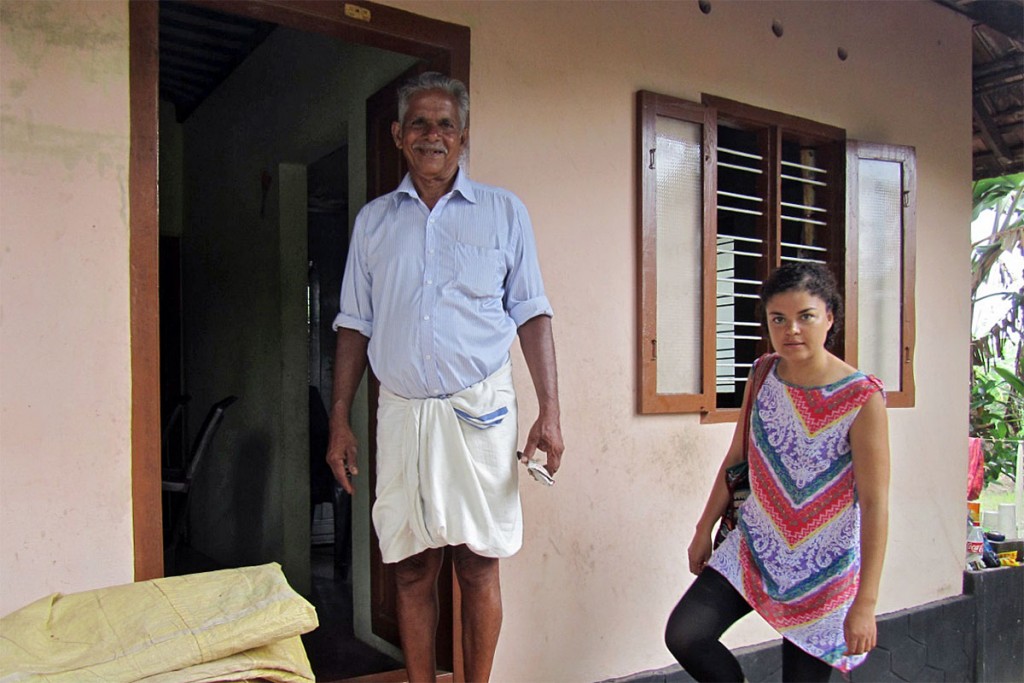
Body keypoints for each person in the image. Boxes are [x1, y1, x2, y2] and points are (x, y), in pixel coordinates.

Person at [325, 71, 564, 682]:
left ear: (463, 138)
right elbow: (353, 324)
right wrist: (339, 420)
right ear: (398, 136)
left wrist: (551, 413)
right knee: (410, 567)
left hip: (481, 410)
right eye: (420, 124)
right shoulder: (374, 223)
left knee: (479, 565)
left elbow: (532, 314)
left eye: (445, 124)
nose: (433, 135)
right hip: (402, 411)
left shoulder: (503, 213)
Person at [664, 262, 890, 681]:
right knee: (686, 634)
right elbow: (738, 458)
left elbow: (875, 504)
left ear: (830, 318)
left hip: (823, 571)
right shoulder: (763, 373)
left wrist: (865, 603)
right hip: (756, 546)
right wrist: (702, 529)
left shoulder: (861, 397)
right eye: (778, 319)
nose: (792, 330)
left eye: (806, 316)